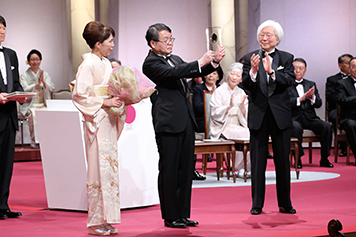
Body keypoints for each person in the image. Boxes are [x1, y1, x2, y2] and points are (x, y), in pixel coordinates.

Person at [142, 23, 225, 228]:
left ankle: (183, 213)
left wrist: (213, 63)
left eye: (171, 39)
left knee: (186, 169)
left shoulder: (175, 59)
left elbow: (190, 70)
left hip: (185, 120)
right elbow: (174, 74)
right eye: (166, 40)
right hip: (168, 121)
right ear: (153, 43)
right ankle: (170, 216)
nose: (170, 43)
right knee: (169, 169)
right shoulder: (150, 63)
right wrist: (199, 61)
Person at [72, 21, 126, 236]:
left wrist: (121, 98)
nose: (112, 45)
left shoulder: (105, 63)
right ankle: (94, 221)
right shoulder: (88, 64)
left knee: (109, 169)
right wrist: (105, 102)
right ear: (97, 44)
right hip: (97, 118)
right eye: (109, 41)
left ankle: (106, 218)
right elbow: (79, 95)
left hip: (108, 120)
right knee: (97, 169)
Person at [242, 20, 296, 215]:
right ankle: (257, 204)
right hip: (259, 115)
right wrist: (254, 73)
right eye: (262, 35)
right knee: (258, 163)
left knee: (283, 162)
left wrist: (272, 72)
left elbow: (289, 80)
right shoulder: (249, 58)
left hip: (280, 116)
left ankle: (285, 203)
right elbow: (245, 85)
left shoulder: (287, 58)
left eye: (269, 35)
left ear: (277, 39)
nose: (264, 38)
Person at [0, 15, 25, 220]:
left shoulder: (11, 54)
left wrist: (22, 94)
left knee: (7, 164)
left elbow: (15, 83)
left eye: (4, 28)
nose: (1, 31)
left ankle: (3, 205)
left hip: (9, 116)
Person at [288, 58, 333, 168]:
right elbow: (284, 103)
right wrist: (300, 99)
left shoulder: (310, 84)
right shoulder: (285, 85)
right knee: (296, 127)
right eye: (295, 68)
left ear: (305, 71)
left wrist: (312, 97)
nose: (298, 71)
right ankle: (297, 159)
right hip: (293, 118)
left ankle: (324, 159)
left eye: (301, 68)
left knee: (326, 126)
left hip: (310, 118)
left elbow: (318, 104)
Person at [210, 62, 251, 178]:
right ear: (228, 75)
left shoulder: (241, 92)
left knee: (250, 133)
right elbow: (214, 112)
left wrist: (242, 106)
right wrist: (228, 107)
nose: (234, 77)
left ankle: (246, 167)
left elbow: (245, 115)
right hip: (223, 125)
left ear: (241, 79)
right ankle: (237, 168)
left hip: (237, 124)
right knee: (242, 133)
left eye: (238, 75)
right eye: (232, 74)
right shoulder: (220, 91)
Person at [19, 49, 55, 148]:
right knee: (34, 114)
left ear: (40, 60)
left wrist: (43, 82)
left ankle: (46, 140)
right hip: (30, 104)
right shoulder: (24, 76)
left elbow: (51, 87)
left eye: (37, 59)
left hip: (42, 103)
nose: (35, 62)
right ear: (28, 62)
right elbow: (24, 89)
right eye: (32, 60)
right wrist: (36, 84)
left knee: (48, 113)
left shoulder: (45, 74)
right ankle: (35, 140)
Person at [191, 68, 223, 180]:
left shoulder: (222, 89)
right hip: (202, 122)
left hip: (220, 122)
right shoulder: (198, 89)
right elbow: (198, 108)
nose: (211, 76)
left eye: (214, 73)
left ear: (218, 76)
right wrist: (212, 96)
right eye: (209, 73)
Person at [325, 54, 352, 157]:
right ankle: (344, 147)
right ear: (340, 65)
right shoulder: (332, 80)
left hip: (352, 108)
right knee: (337, 117)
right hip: (337, 108)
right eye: (347, 63)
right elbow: (331, 97)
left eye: (351, 63)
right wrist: (345, 99)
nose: (349, 66)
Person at [336, 57, 356, 166]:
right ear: (349, 68)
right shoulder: (342, 83)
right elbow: (342, 100)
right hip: (349, 117)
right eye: (354, 67)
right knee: (352, 125)